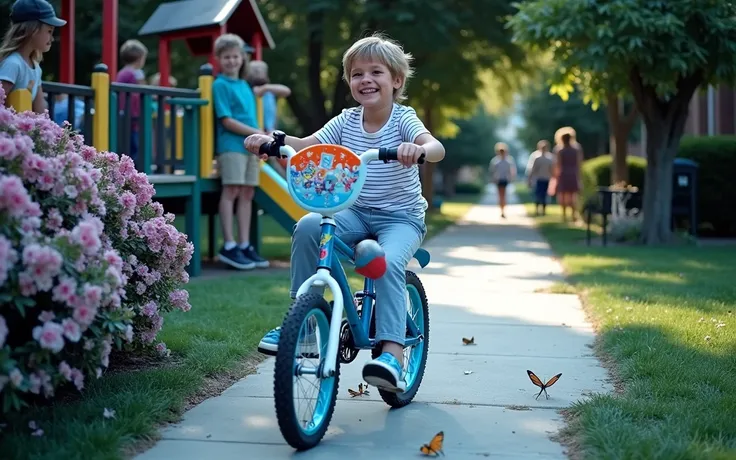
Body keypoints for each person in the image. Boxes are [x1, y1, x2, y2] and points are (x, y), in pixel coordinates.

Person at [244, 33, 445, 393]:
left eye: (376, 72)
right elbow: (307, 145)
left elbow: (435, 146)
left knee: (385, 261)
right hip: (355, 212)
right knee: (307, 226)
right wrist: (272, 141)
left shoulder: (404, 119)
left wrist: (418, 150)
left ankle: (393, 355)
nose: (365, 79)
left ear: (396, 80)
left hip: (400, 218)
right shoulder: (346, 121)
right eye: (356, 74)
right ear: (350, 82)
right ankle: (304, 325)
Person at [212, 33, 270, 271]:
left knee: (247, 193)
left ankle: (245, 244)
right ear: (219, 59)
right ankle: (229, 244)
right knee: (232, 190)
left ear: (242, 58)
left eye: (235, 56)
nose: (232, 61)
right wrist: (257, 131)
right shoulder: (220, 85)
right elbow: (226, 120)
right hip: (231, 146)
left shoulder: (245, 85)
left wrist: (261, 133)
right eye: (226, 57)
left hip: (250, 147)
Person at [0, 0, 66, 113]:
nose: (52, 38)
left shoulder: (36, 68)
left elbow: (40, 113)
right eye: (49, 31)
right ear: (32, 30)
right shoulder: (13, 64)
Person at [115, 39, 148, 165]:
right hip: (132, 115)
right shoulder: (134, 73)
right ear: (140, 58)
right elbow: (141, 89)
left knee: (129, 144)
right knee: (134, 145)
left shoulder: (123, 72)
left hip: (125, 113)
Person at [245, 60, 291, 134]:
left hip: (270, 129)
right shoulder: (247, 89)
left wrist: (265, 88)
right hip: (255, 129)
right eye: (255, 71)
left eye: (262, 70)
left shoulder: (269, 90)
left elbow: (287, 91)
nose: (259, 73)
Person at [554, 132, 583, 222]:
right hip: (573, 173)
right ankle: (574, 215)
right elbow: (579, 163)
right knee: (573, 196)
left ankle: (564, 215)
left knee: (562, 195)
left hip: (563, 174)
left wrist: (555, 176)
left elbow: (558, 164)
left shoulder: (560, 150)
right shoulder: (576, 150)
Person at [488, 142, 517, 218]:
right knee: (500, 195)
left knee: (503, 195)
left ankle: (503, 208)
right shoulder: (495, 161)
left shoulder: (509, 160)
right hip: (498, 180)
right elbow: (492, 171)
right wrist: (493, 178)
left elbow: (512, 171)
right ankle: (502, 209)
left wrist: (512, 177)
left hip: (505, 179)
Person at [527, 140, 554, 216]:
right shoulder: (537, 157)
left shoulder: (550, 158)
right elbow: (533, 169)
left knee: (544, 195)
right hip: (539, 179)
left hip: (546, 178)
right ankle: (538, 210)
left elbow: (552, 169)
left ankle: (543, 210)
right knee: (539, 195)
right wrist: (530, 178)